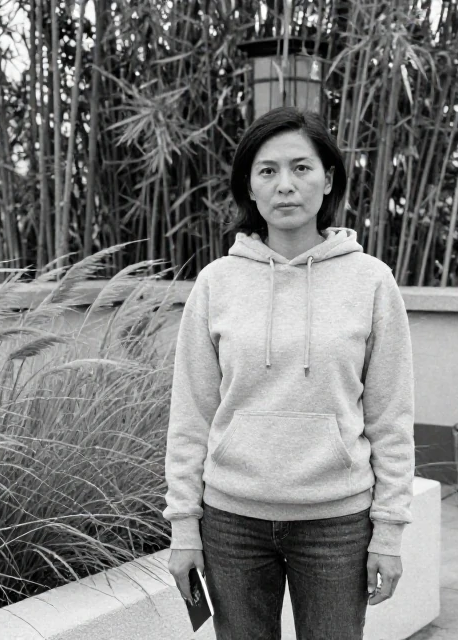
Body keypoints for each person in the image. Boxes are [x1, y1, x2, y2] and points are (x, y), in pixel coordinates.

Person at [163, 107, 416, 640]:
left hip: (337, 523)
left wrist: (389, 532)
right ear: (249, 188)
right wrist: (184, 525)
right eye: (268, 171)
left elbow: (391, 416)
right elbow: (191, 414)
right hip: (231, 521)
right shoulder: (216, 284)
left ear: (328, 179)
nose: (286, 186)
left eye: (302, 168)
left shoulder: (371, 282)